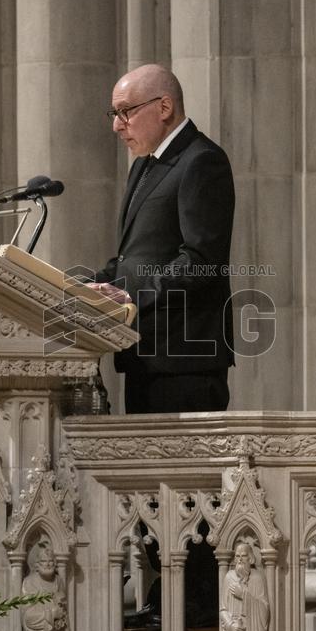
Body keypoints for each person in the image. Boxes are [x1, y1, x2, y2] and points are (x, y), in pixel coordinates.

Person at [91, 64, 235, 414]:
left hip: (185, 362)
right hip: (143, 354)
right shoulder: (144, 165)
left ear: (164, 107)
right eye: (115, 114)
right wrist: (85, 286)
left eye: (125, 112)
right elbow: (137, 257)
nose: (116, 125)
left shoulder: (202, 161)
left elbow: (202, 262)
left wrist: (129, 294)